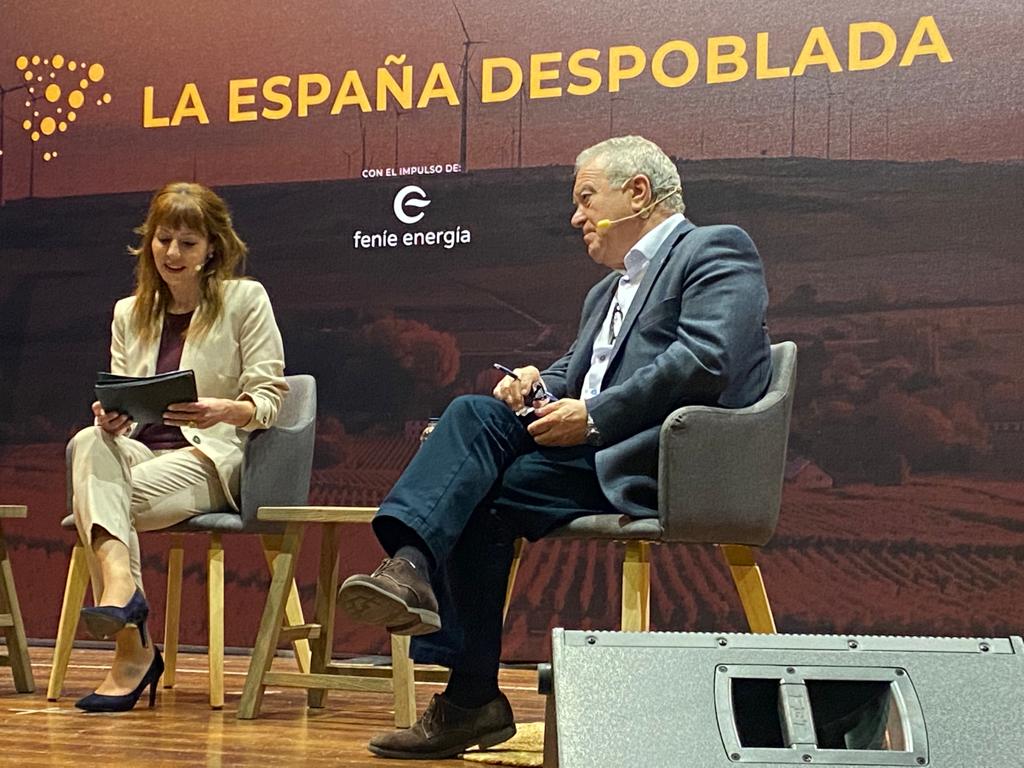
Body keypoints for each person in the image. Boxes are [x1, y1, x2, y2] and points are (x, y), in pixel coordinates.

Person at [337, 135, 772, 759]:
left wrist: (593, 417)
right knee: (475, 420)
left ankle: (449, 658)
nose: (576, 218)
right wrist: (536, 382)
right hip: (588, 453)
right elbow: (574, 373)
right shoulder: (606, 291)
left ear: (638, 193)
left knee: (472, 482)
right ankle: (442, 639)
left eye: (587, 199)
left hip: (659, 458)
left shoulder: (714, 250)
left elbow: (704, 359)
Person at [68, 182, 288, 712]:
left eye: (187, 243)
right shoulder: (128, 311)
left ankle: (131, 652)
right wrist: (112, 415)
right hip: (142, 452)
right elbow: (121, 395)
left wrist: (223, 408)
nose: (171, 253)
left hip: (211, 456)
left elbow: (270, 398)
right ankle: (123, 590)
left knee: (99, 504)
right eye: (163, 240)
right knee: (87, 440)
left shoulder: (245, 299)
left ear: (212, 247)